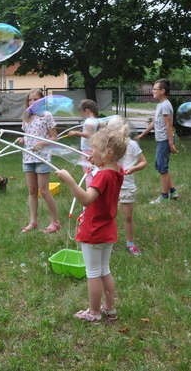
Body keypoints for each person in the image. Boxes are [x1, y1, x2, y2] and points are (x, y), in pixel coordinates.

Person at [56, 124, 128, 323]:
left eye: (94, 149)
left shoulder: (103, 175)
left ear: (108, 152)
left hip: (94, 230)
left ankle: (94, 312)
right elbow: (105, 172)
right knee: (104, 270)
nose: (90, 152)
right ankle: (110, 309)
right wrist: (96, 163)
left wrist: (69, 180)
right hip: (107, 229)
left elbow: (87, 199)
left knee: (93, 273)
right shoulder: (116, 171)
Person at [17, 88, 61, 234]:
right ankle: (33, 222)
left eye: (35, 99)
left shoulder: (46, 116)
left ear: (42, 101)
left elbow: (55, 137)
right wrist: (21, 139)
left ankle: (55, 222)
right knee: (32, 191)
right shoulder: (26, 116)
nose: (32, 102)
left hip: (43, 157)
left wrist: (43, 143)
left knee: (44, 190)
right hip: (28, 157)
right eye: (30, 99)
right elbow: (27, 135)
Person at [136, 79, 179, 204]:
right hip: (161, 140)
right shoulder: (160, 105)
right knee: (161, 166)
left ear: (162, 91)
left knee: (162, 168)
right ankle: (173, 191)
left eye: (155, 89)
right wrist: (142, 134)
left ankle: (164, 197)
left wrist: (170, 143)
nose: (152, 91)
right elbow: (154, 122)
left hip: (164, 140)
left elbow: (168, 125)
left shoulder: (165, 105)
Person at [109, 117, 147, 256]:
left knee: (128, 217)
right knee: (110, 216)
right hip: (111, 184)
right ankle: (109, 242)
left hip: (126, 185)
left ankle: (130, 243)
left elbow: (143, 162)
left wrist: (133, 169)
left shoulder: (132, 145)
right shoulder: (109, 145)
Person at [67, 99, 100, 186]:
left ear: (87, 110)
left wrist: (76, 133)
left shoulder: (88, 122)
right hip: (94, 149)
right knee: (95, 171)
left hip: (87, 151)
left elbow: (89, 135)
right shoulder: (95, 120)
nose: (81, 114)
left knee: (88, 173)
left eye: (81, 112)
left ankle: (90, 191)